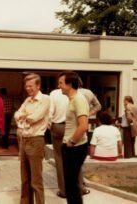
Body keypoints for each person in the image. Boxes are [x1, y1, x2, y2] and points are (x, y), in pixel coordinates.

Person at [14, 73, 50, 204]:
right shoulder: (27, 100)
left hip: (36, 141)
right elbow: (16, 115)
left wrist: (24, 116)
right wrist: (24, 115)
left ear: (38, 85)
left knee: (36, 180)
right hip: (23, 140)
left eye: (31, 86)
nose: (28, 89)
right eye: (26, 86)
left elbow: (34, 117)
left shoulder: (45, 99)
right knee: (25, 179)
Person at [58, 71, 89, 204]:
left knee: (72, 185)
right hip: (70, 146)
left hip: (75, 147)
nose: (59, 86)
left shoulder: (79, 99)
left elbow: (83, 126)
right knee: (70, 184)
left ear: (69, 84)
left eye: (61, 83)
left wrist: (71, 142)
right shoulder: (72, 99)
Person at [48, 89, 69, 199]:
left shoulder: (54, 93)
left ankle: (63, 190)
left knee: (59, 157)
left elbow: (50, 112)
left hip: (57, 126)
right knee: (73, 158)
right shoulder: (77, 93)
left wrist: (49, 126)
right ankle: (80, 187)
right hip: (71, 126)